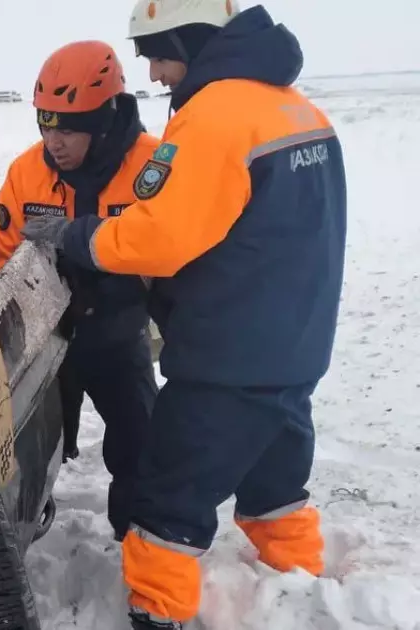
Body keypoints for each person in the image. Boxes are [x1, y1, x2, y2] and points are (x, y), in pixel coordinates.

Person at [19, 3, 346, 629]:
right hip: (297, 343)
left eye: (156, 53)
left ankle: (157, 609)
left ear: (188, 39)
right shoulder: (297, 109)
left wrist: (78, 236)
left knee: (167, 494)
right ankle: (297, 576)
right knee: (277, 475)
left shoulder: (216, 117)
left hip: (228, 350)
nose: (153, 71)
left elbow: (159, 237)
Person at [0, 40, 159, 543]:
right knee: (23, 443)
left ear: (105, 117)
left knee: (141, 443)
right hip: (47, 338)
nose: (53, 139)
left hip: (118, 332)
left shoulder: (155, 169)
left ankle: (140, 543)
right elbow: (3, 262)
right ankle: (22, 520)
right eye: (45, 121)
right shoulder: (27, 173)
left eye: (69, 125)